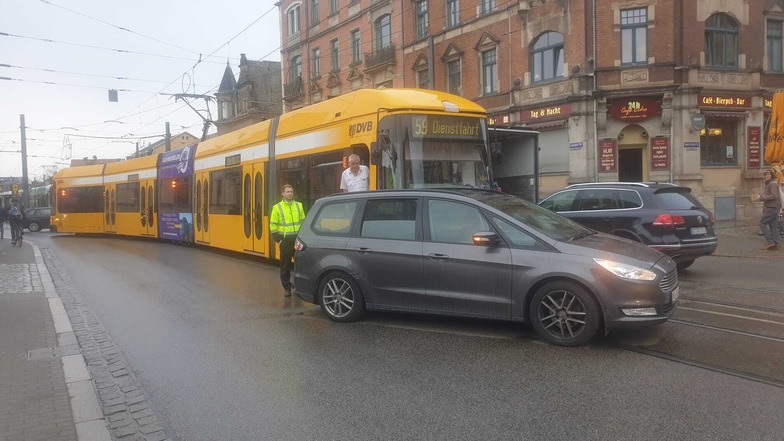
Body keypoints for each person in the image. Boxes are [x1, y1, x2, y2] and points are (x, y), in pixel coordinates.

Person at [270, 184, 305, 296]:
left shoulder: (299, 205)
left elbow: (303, 222)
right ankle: (287, 287)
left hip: (298, 240)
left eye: (291, 191)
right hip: (285, 241)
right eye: (288, 192)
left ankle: (299, 285)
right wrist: (279, 240)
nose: (290, 193)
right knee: (285, 266)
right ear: (283, 194)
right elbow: (273, 225)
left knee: (300, 264)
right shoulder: (277, 207)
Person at [752, 169, 782, 250]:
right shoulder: (768, 184)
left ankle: (770, 241)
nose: (767, 176)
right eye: (765, 175)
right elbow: (768, 195)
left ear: (771, 175)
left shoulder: (772, 184)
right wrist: (760, 197)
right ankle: (777, 244)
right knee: (773, 226)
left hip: (772, 208)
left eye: (768, 175)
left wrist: (761, 198)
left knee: (762, 224)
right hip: (774, 207)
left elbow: (774, 196)